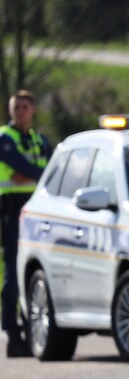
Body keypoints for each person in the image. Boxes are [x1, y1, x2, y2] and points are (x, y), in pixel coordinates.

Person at [0, 90, 52, 357]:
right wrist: (38, 175)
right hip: (11, 212)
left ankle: (33, 328)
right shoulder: (4, 138)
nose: (19, 111)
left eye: (24, 107)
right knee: (13, 274)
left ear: (32, 110)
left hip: (37, 212)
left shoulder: (38, 139)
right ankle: (12, 333)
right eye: (15, 107)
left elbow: (53, 169)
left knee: (35, 270)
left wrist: (32, 177)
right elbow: (25, 167)